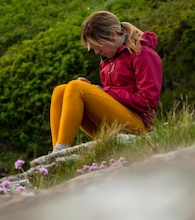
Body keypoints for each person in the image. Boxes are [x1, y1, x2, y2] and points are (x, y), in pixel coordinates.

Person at [49, 11, 163, 151]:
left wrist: (105, 91)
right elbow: (112, 100)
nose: (96, 52)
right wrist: (97, 91)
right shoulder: (107, 61)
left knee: (76, 87)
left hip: (139, 126)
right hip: (116, 121)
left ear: (111, 35)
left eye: (98, 46)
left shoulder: (142, 53)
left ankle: (61, 150)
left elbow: (148, 101)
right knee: (60, 90)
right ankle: (57, 151)